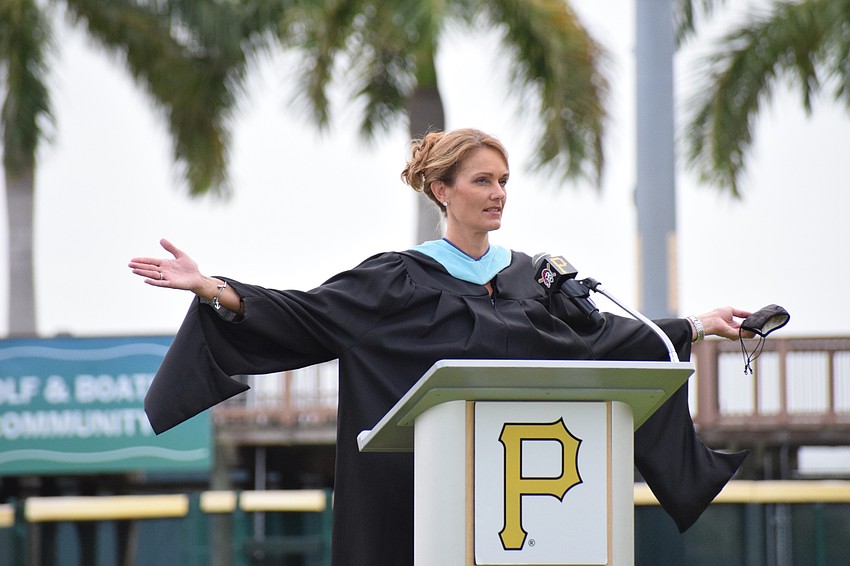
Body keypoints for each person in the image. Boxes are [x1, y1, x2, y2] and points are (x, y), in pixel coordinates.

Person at [130, 128, 751, 565]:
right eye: (482, 180)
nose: (498, 192)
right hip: (416, 499)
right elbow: (304, 314)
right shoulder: (396, 279)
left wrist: (695, 326)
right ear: (441, 189)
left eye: (504, 180)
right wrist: (210, 286)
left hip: (531, 511)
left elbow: (605, 341)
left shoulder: (534, 278)